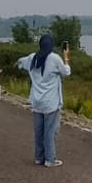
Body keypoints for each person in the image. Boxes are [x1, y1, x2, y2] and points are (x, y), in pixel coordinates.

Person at [17, 33, 71, 166]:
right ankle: (50, 159)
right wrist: (66, 59)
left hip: (36, 101)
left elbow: (20, 62)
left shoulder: (32, 57)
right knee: (50, 132)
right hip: (51, 102)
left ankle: (39, 157)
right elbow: (66, 73)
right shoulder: (54, 58)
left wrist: (18, 63)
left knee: (38, 131)